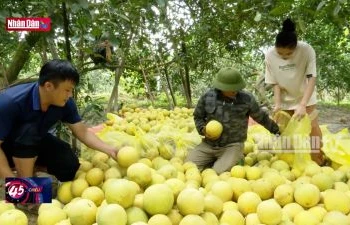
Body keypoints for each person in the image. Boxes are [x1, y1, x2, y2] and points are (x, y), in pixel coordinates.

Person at [0, 59, 118, 183]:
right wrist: (11, 181)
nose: (70, 95)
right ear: (48, 86)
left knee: (69, 164)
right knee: (28, 131)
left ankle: (32, 172)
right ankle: (25, 187)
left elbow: (83, 132)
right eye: (67, 90)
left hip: (35, 141)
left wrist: (110, 149)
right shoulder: (10, 102)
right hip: (6, 147)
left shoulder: (65, 102)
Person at [186, 67, 280, 174]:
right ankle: (217, 160)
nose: (235, 90)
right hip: (209, 144)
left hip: (232, 145)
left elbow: (261, 117)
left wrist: (277, 131)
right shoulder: (208, 96)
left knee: (218, 173)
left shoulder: (246, 99)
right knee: (188, 167)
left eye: (237, 87)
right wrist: (203, 130)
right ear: (221, 87)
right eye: (231, 88)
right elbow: (198, 116)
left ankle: (235, 158)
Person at [264, 18, 325, 165]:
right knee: (286, 131)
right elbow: (274, 82)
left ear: (296, 48)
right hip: (285, 98)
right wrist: (277, 103)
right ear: (275, 47)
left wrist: (303, 105)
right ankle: (290, 163)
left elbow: (311, 77)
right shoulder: (270, 55)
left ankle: (318, 160)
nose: (284, 57)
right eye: (281, 54)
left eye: (289, 54)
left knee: (312, 128)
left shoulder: (306, 50)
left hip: (305, 96)